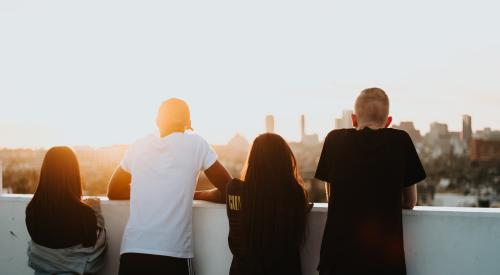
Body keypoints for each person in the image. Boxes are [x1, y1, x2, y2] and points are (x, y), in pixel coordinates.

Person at [108, 98, 231, 275]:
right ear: (189, 123)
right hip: (173, 254)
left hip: (133, 253)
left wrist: (148, 191)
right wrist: (194, 194)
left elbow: (113, 191)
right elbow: (229, 189)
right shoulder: (196, 145)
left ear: (157, 121)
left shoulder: (138, 146)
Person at [315, 88, 427, 275]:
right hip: (384, 261)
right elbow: (410, 201)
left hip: (337, 260)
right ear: (389, 122)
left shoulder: (334, 140)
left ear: (353, 119)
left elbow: (332, 196)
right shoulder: (400, 141)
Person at [226, 133, 310, 275]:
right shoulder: (295, 194)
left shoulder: (234, 189)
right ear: (284, 160)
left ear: (253, 159)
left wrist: (196, 193)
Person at [26, 146, 107, 275]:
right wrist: (95, 211)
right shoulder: (84, 214)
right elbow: (94, 251)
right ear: (73, 172)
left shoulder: (31, 211)